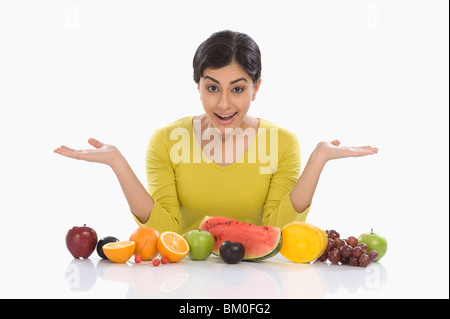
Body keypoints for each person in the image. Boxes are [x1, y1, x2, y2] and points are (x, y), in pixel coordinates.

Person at [54, 30, 378, 235]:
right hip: (183, 281)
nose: (224, 104)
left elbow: (278, 230)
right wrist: (117, 162)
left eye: (237, 89)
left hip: (259, 284)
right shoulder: (166, 140)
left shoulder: (282, 143)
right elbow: (164, 229)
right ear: (198, 86)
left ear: (256, 88)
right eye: (212, 88)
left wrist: (318, 158)